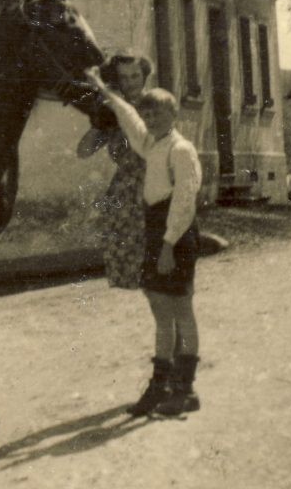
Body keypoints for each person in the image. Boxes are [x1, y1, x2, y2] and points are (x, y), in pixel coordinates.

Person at [85, 70, 203, 417]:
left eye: (158, 114)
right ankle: (159, 386)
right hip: (156, 230)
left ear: (174, 115)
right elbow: (129, 118)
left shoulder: (181, 150)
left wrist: (167, 245)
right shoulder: (152, 143)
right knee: (161, 312)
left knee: (181, 310)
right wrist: (104, 89)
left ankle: (183, 389)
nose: (150, 119)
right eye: (148, 114)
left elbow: (184, 200)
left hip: (176, 236)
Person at [76, 52, 152, 291]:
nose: (130, 83)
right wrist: (100, 124)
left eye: (135, 76)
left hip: (154, 184)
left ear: (145, 76)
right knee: (128, 273)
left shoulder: (156, 104)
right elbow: (83, 151)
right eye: (123, 78)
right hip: (125, 191)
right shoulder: (113, 113)